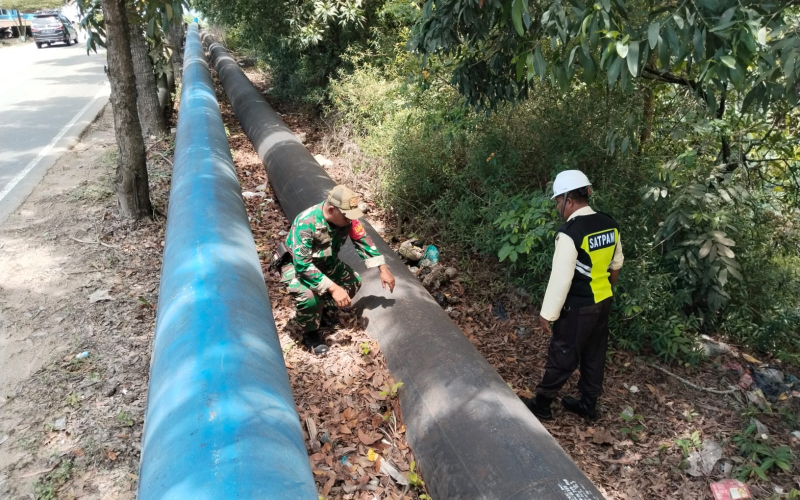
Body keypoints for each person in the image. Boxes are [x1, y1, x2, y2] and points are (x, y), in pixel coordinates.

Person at [522, 170, 624, 421]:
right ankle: (589, 405)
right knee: (594, 353)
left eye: (558, 201)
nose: (558, 207)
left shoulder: (570, 233)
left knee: (563, 352)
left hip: (579, 306)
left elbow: (561, 279)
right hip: (602, 301)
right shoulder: (609, 223)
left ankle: (543, 404)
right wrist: (605, 292)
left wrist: (548, 315)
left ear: (569, 200)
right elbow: (616, 264)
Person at [280, 185, 396, 355]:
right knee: (310, 298)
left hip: (326, 262)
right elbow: (303, 265)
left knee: (353, 281)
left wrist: (383, 268)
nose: (350, 220)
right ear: (332, 209)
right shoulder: (306, 223)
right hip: (297, 266)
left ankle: (324, 313)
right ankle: (310, 333)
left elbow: (362, 239)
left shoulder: (347, 218)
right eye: (347, 216)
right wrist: (333, 288)